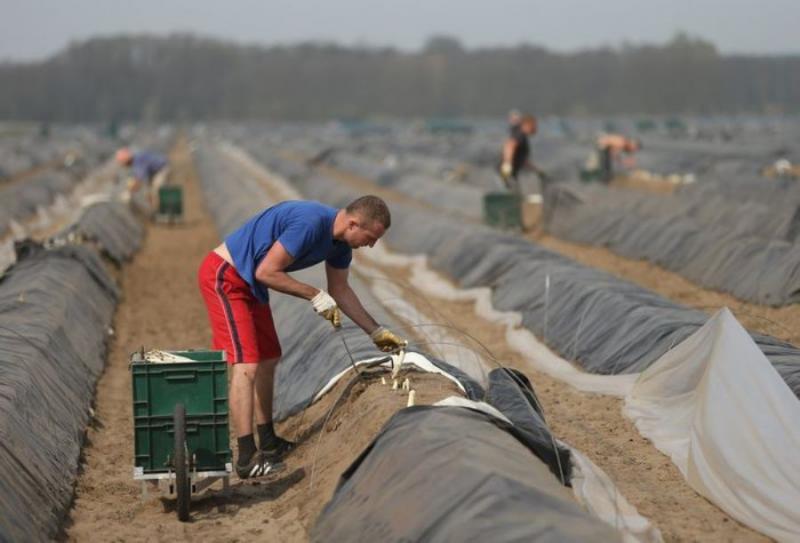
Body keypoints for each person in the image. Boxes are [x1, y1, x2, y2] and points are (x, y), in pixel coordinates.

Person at [197, 196, 408, 479]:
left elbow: (341, 290)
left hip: (251, 285)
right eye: (370, 238)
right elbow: (266, 272)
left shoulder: (340, 246)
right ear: (353, 223)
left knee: (269, 358)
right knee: (246, 364)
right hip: (227, 276)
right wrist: (314, 294)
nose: (371, 246)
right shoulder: (310, 223)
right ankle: (246, 457)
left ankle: (268, 441)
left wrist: (376, 331)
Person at [498, 114, 549, 193]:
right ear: (528, 124)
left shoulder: (522, 136)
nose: (536, 128)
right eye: (535, 125)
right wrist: (507, 163)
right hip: (507, 174)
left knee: (516, 192)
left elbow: (523, 160)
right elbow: (509, 146)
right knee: (510, 192)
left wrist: (536, 170)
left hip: (512, 174)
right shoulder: (520, 135)